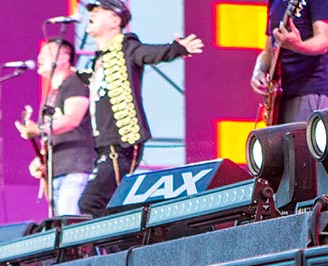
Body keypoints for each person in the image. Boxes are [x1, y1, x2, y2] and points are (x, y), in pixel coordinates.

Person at [78, 0, 205, 217]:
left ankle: (125, 239)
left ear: (115, 20)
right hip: (104, 146)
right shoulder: (98, 61)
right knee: (109, 203)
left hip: (122, 143)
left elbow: (147, 53)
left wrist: (176, 49)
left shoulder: (127, 47)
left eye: (98, 11)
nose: (92, 14)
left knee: (93, 201)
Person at [15, 38, 96, 216]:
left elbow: (73, 118)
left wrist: (38, 130)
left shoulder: (75, 82)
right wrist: (41, 159)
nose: (40, 57)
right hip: (56, 170)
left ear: (64, 58)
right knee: (59, 224)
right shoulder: (51, 96)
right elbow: (52, 134)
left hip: (75, 167)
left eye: (47, 53)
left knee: (70, 222)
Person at [250, 0, 328, 124]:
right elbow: (269, 50)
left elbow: (322, 41)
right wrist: (259, 70)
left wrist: (298, 46)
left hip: (312, 90)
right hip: (280, 98)